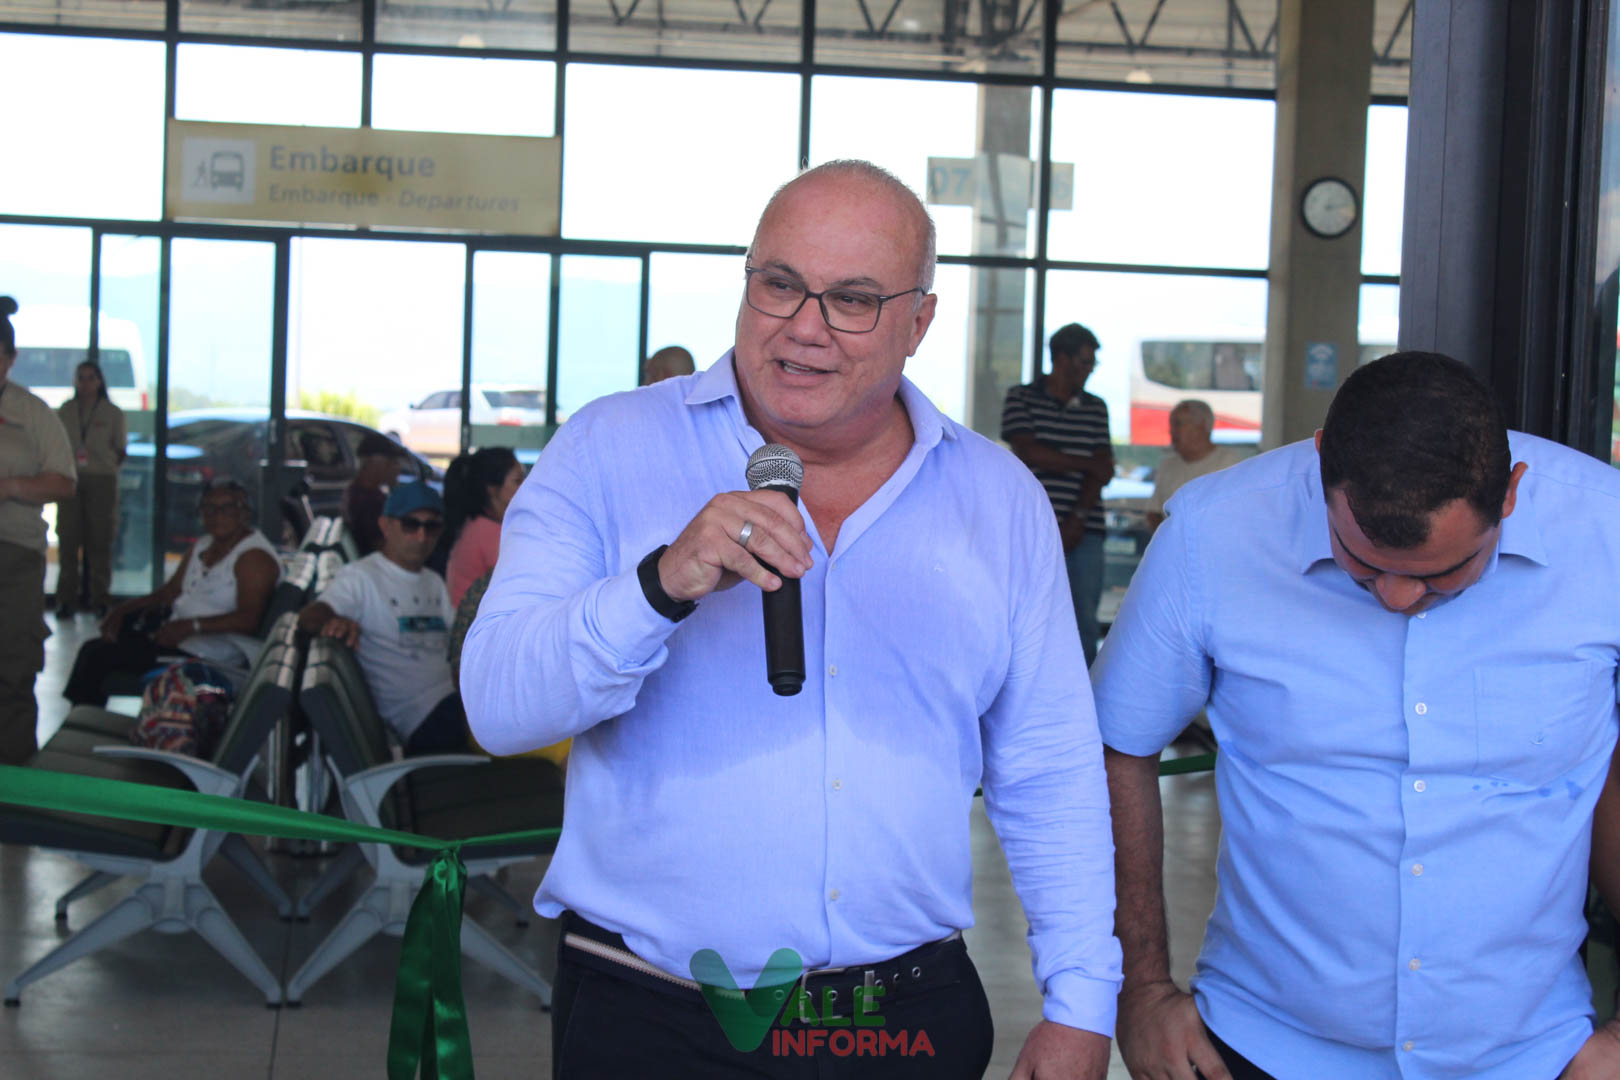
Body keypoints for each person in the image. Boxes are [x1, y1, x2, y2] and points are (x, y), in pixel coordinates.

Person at [463, 160, 1120, 1079]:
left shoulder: (997, 498)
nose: (805, 327)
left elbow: (1048, 766)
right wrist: (659, 585)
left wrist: (1083, 1001)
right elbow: (498, 709)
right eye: (779, 284)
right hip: (654, 1014)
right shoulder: (608, 448)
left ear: (919, 322)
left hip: (905, 1019)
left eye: (852, 300)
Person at [1094, 352, 1620, 1080]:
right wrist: (1141, 989)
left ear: (1511, 495)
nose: (1397, 598)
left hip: (1535, 1054)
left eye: (1441, 573)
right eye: (1362, 561)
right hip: (1261, 1045)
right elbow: (1118, 746)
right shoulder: (1212, 533)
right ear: (1320, 463)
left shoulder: (1606, 532)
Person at [63, 479, 280, 707]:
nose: (217, 515)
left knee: (97, 657)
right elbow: (170, 592)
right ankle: (83, 718)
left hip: (209, 658)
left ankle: (84, 718)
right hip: (176, 641)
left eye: (227, 508)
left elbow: (249, 619)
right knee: (96, 647)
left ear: (244, 513)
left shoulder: (254, 558)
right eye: (209, 508)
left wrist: (191, 626)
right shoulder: (204, 545)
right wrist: (122, 610)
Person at [298, 481, 467, 756]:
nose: (422, 536)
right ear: (386, 526)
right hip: (420, 716)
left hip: (454, 701)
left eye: (432, 527)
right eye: (411, 525)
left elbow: (458, 641)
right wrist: (333, 622)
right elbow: (310, 615)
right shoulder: (360, 577)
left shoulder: (433, 581)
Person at [1000, 323, 1114, 664]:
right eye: (1085, 362)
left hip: (1085, 530)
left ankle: (1082, 695)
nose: (1090, 370)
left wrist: (1077, 518)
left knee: (1083, 622)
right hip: (1030, 526)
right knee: (1020, 616)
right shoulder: (1021, 397)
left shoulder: (1095, 407)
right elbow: (1029, 452)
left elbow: (1104, 470)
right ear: (1062, 359)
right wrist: (1087, 463)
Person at [0, 296, 76, 764]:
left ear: (10, 359)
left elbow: (64, 482)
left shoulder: (31, 413)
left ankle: (11, 778)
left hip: (14, 555)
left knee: (12, 667)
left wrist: (10, 487)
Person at [55, 357, 127, 616]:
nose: (85, 383)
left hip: (101, 480)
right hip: (70, 480)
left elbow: (121, 450)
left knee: (100, 540)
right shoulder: (65, 410)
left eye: (91, 378)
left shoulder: (112, 412)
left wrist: (105, 467)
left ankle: (100, 598)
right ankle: (66, 599)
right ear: (75, 381)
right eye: (81, 378)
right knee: (68, 539)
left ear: (99, 382)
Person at [1143, 399, 1243, 534]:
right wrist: (1168, 537)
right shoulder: (1167, 465)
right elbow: (1153, 512)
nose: (1171, 431)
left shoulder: (1228, 463)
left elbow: (1235, 514)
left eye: (1177, 424)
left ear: (1201, 426)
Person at [442, 446, 522, 607]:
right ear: (492, 488)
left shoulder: (477, 525)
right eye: (517, 481)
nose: (524, 487)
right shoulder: (490, 533)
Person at [342, 431, 409, 556]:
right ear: (372, 462)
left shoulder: (361, 492)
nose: (397, 468)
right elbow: (386, 549)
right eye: (392, 461)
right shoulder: (367, 501)